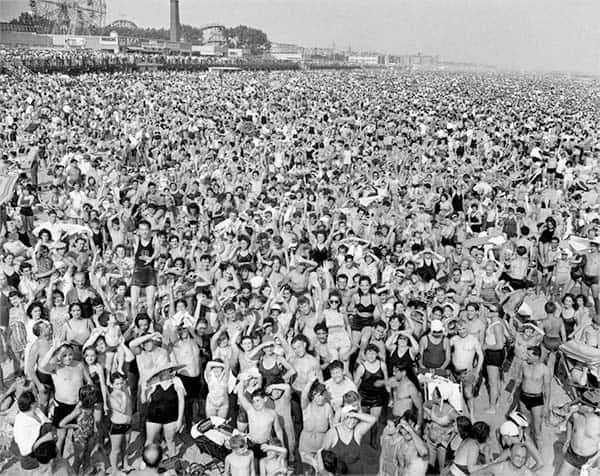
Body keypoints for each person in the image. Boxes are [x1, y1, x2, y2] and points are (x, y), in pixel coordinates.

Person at [321, 405, 377, 475]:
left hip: (356, 471)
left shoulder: (357, 431)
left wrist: (354, 414)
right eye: (349, 418)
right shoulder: (333, 433)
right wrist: (325, 472)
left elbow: (373, 419)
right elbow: (321, 453)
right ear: (343, 418)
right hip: (337, 472)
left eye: (354, 419)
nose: (352, 421)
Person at [516, 345, 550, 448]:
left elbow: (547, 389)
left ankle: (539, 454)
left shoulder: (544, 369)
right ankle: (525, 450)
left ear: (536, 356)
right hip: (523, 398)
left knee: (537, 429)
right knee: (525, 425)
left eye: (529, 355)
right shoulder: (524, 365)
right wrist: (511, 394)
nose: (527, 357)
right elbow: (519, 380)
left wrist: (546, 407)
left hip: (536, 399)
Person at [557, 406, 600, 476]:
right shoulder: (576, 415)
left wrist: (594, 458)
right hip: (572, 455)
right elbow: (570, 422)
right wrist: (568, 439)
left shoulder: (598, 421)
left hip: (590, 459)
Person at [108, 371, 133, 474]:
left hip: (127, 424)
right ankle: (114, 469)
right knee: (116, 449)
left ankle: (125, 464)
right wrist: (123, 396)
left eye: (121, 383)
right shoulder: (111, 397)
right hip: (117, 425)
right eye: (117, 384)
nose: (120, 386)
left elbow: (129, 408)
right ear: (112, 385)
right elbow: (122, 410)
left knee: (126, 446)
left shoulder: (126, 391)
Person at [471, 444, 535, 476]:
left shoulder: (526, 473)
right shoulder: (499, 468)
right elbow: (474, 474)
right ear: (510, 454)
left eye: (523, 457)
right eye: (517, 456)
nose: (521, 460)